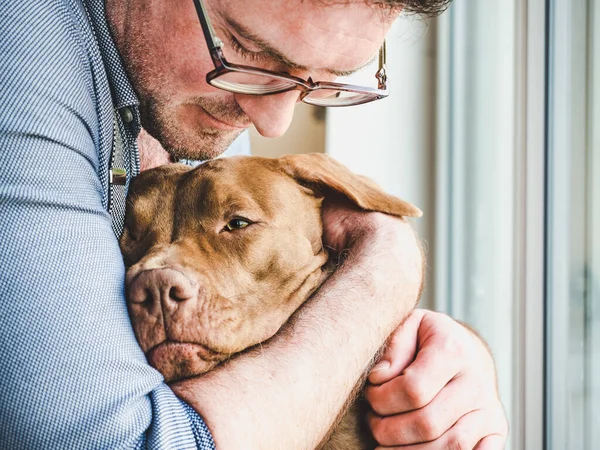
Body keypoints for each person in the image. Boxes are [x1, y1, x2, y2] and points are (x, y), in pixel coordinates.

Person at [0, 0, 508, 448]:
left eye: (323, 79)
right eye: (245, 48)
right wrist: (385, 272)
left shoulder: (206, 104)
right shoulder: (24, 59)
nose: (272, 123)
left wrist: (446, 370)